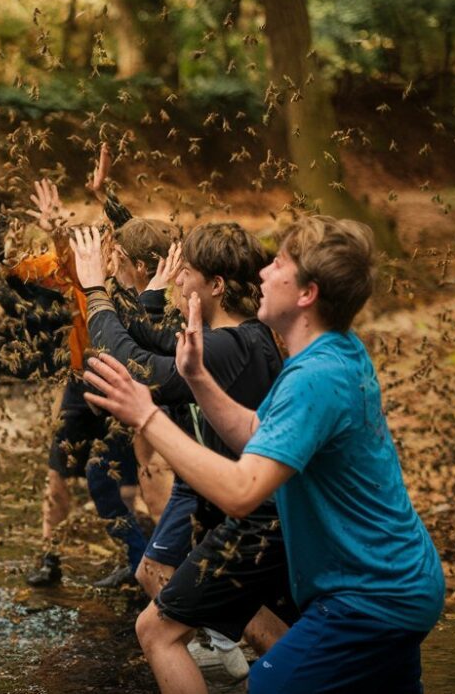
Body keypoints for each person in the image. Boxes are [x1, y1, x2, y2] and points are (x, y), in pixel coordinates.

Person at [83, 215, 445, 693]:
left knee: (268, 686)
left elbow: (241, 490)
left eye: (277, 264)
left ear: (306, 294)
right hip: (396, 581)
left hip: (371, 594)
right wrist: (197, 378)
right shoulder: (330, 354)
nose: (262, 274)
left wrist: (146, 416)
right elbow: (256, 433)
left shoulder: (314, 378)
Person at [73, 221, 295, 690]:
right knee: (267, 623)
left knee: (155, 631)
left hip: (252, 520)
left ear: (215, 285)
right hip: (257, 514)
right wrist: (144, 291)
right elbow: (151, 335)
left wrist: (94, 288)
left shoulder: (225, 345)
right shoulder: (242, 337)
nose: (180, 280)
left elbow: (137, 366)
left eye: (187, 273)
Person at [20, 161, 176, 588]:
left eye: (112, 243)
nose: (106, 249)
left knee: (126, 477)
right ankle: (50, 556)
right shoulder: (84, 274)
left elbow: (137, 232)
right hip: (80, 381)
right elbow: (65, 252)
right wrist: (60, 222)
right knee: (59, 471)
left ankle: (141, 561)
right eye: (104, 243)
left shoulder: (140, 286)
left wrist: (105, 195)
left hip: (125, 384)